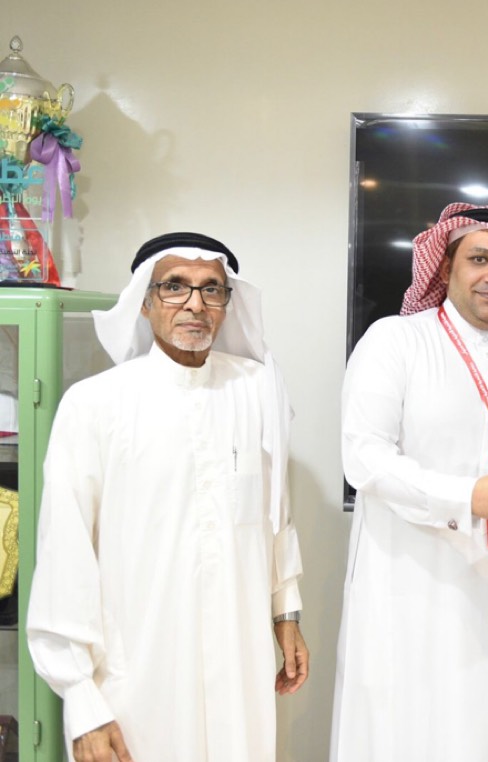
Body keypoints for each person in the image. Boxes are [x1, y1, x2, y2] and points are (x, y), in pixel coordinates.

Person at [27, 232, 308, 762]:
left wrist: (286, 612)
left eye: (212, 289)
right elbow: (66, 555)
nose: (195, 304)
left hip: (239, 666)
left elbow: (276, 512)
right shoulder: (94, 404)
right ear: (145, 301)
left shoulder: (257, 390)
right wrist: (82, 699)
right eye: (175, 286)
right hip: (137, 675)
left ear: (227, 303)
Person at [330, 203, 488, 761]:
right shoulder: (395, 340)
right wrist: (468, 497)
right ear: (445, 267)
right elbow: (364, 458)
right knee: (402, 735)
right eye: (479, 259)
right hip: (406, 586)